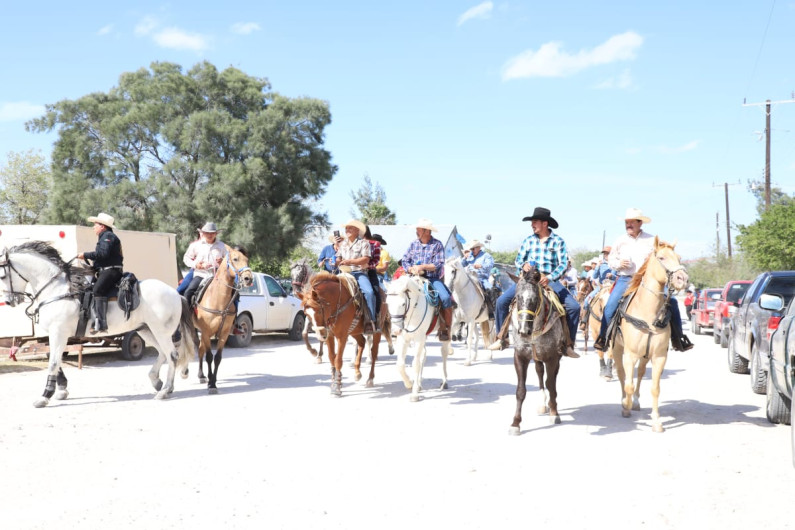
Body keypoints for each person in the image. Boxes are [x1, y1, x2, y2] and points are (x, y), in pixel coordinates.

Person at [592, 208, 693, 352]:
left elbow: (664, 254)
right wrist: (619, 264)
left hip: (648, 280)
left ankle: (678, 339)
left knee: (673, 302)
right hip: (626, 279)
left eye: (632, 222)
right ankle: (603, 338)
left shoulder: (652, 240)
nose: (628, 225)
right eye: (627, 222)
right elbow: (611, 260)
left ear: (640, 223)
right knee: (610, 306)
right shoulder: (620, 240)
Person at [488, 207, 580, 358]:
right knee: (501, 301)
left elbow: (563, 264)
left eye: (535, 222)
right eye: (532, 222)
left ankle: (567, 344)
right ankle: (502, 338)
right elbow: (518, 259)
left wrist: (550, 277)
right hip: (528, 279)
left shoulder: (558, 241)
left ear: (545, 223)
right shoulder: (528, 240)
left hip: (549, 280)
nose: (532, 225)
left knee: (574, 307)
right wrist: (522, 265)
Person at [401, 218, 454, 341]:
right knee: (398, 293)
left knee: (445, 298)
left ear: (426, 231)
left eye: (419, 229)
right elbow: (405, 260)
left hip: (432, 278)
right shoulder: (413, 244)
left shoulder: (437, 244)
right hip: (414, 277)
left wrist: (422, 267)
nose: (416, 230)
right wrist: (410, 269)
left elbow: (439, 263)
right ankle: (398, 323)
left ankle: (445, 328)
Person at [77, 212, 123, 334]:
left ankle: (101, 324)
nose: (93, 227)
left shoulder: (108, 236)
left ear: (102, 226)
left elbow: (103, 254)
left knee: (97, 290)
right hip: (106, 270)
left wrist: (85, 255)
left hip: (111, 270)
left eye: (95, 225)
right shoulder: (105, 236)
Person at [335, 219, 377, 334]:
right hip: (344, 273)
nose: (347, 230)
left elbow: (366, 259)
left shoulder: (364, 243)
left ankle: (370, 320)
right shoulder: (342, 244)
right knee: (330, 288)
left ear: (357, 230)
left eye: (350, 228)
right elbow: (338, 257)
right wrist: (337, 261)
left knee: (369, 292)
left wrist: (349, 261)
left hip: (359, 273)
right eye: (346, 228)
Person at [181, 222, 227, 306]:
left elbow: (229, 260)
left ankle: (233, 316)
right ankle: (187, 317)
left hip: (217, 276)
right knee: (189, 291)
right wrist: (196, 265)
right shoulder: (196, 245)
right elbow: (186, 258)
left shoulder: (222, 246)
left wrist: (222, 262)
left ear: (216, 233)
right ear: (203, 233)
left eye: (212, 233)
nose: (209, 235)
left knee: (233, 294)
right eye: (207, 233)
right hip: (200, 274)